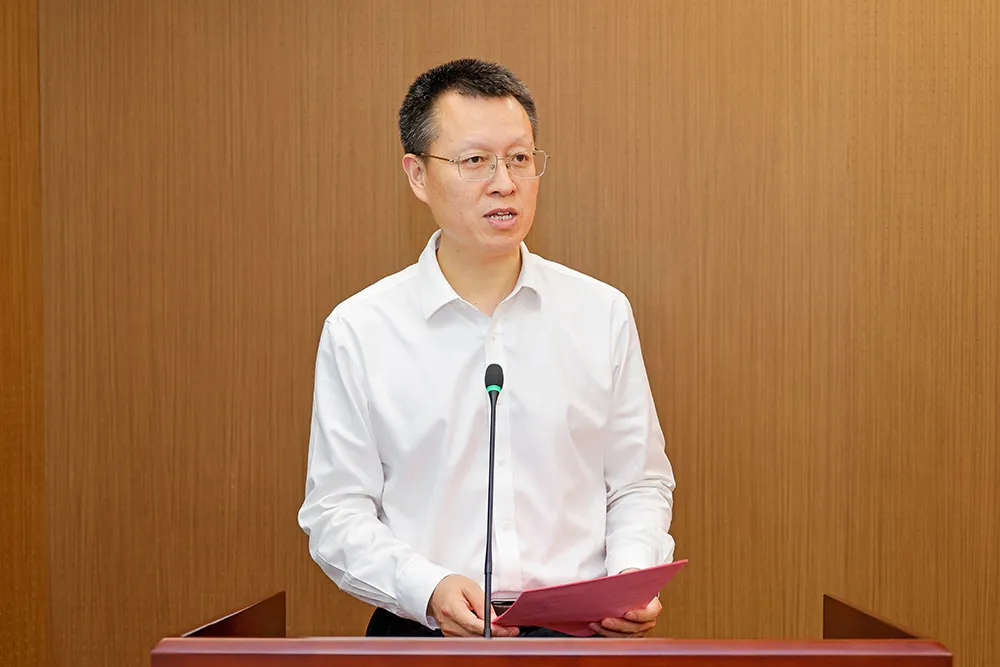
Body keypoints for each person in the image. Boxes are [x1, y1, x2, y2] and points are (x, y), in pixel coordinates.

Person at [298, 58, 675, 639]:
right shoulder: (361, 329)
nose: (505, 182)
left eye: (519, 158)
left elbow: (638, 482)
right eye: (475, 161)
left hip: (579, 634)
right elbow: (335, 511)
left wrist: (629, 577)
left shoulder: (600, 314)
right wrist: (427, 587)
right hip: (424, 633)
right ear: (418, 175)